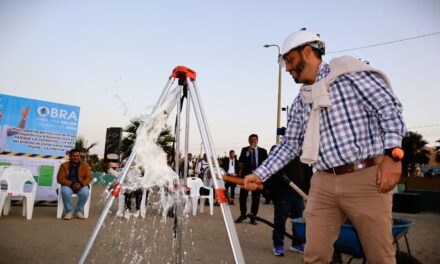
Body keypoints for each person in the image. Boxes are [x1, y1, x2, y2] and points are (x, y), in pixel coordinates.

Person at [244, 28, 406, 263]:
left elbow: (389, 110)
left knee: (379, 256)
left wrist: (393, 155)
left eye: (289, 60)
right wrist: (260, 174)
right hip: (322, 182)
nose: (287, 68)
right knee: (314, 255)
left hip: (365, 179)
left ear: (308, 52)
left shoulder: (350, 76)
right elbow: (289, 144)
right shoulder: (301, 101)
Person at [270, 153, 312, 256]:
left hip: (298, 193)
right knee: (280, 219)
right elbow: (273, 169)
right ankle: (278, 244)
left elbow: (307, 173)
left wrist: (307, 190)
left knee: (298, 220)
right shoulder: (280, 151)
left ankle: (297, 244)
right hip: (283, 193)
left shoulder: (302, 155)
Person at [235, 134, 268, 225]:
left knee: (256, 197)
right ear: (249, 141)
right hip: (246, 177)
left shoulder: (263, 151)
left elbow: (266, 164)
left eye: (255, 139)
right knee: (243, 196)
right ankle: (243, 214)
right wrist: (249, 151)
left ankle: (253, 217)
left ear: (258, 141)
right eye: (251, 139)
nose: (253, 141)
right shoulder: (245, 150)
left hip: (257, 177)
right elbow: (241, 160)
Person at [57, 148, 93, 220]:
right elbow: (60, 178)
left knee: (85, 192)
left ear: (79, 156)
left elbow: (89, 177)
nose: (76, 157)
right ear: (70, 156)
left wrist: (81, 184)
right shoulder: (64, 165)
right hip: (68, 185)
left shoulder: (84, 165)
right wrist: (71, 184)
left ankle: (78, 211)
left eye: (77, 156)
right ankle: (69, 212)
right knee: (65, 191)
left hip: (81, 185)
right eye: (74, 156)